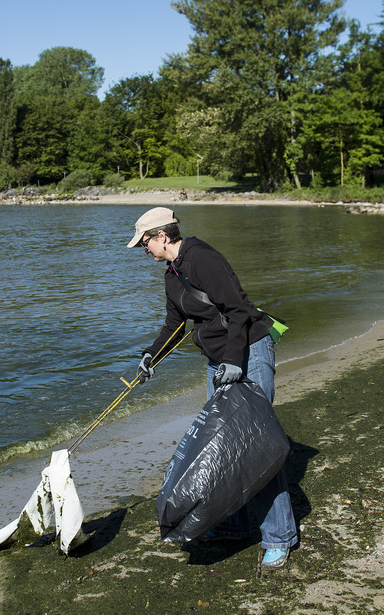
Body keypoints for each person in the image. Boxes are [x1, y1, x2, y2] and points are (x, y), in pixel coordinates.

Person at [127, 206, 297, 570]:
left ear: (162, 236)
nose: (143, 250)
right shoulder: (172, 274)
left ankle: (279, 537)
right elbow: (175, 324)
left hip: (249, 350)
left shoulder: (204, 258)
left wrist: (236, 361)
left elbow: (238, 311)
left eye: (144, 242)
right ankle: (232, 527)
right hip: (220, 362)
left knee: (254, 444)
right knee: (220, 446)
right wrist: (150, 357)